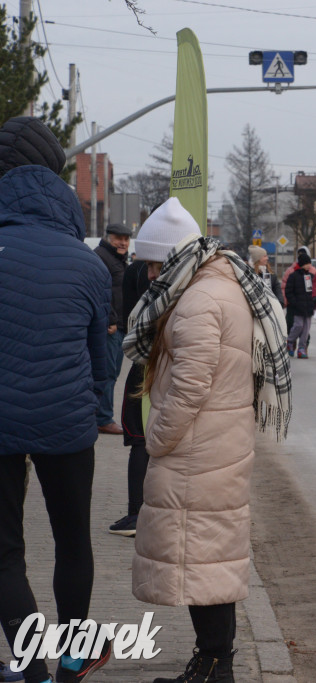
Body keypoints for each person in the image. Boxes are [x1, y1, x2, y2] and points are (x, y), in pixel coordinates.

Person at [122, 197, 291, 683]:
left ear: (173, 255)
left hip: (198, 446)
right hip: (217, 440)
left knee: (201, 557)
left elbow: (191, 383)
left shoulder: (198, 298)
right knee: (208, 553)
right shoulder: (221, 283)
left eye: (156, 261)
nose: (153, 273)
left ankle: (216, 664)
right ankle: (212, 660)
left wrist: (157, 436)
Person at [0, 115, 112, 683]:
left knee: (4, 552)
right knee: (73, 542)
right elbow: (102, 361)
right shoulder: (87, 263)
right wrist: (95, 413)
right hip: (66, 422)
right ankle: (72, 663)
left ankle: (33, 672)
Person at [108, 256, 152, 538]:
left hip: (144, 365)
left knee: (139, 437)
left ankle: (138, 513)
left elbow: (127, 317)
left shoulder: (136, 269)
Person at [93, 222, 132, 436]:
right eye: (118, 238)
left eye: (126, 239)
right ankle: (103, 419)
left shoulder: (116, 259)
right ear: (108, 237)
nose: (123, 243)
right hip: (110, 327)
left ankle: (99, 416)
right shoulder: (102, 257)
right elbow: (99, 292)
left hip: (119, 326)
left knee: (112, 372)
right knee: (107, 373)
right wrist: (110, 320)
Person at [285, 249, 316, 359]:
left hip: (308, 307)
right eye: (307, 264)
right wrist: (294, 303)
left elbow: (314, 291)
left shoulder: (311, 276)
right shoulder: (293, 276)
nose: (309, 266)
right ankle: (289, 341)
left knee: (306, 329)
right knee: (298, 325)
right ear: (302, 264)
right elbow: (288, 291)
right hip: (298, 307)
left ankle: (302, 348)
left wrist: (314, 301)